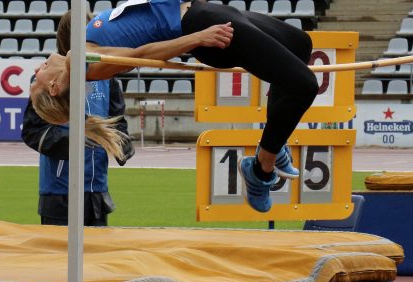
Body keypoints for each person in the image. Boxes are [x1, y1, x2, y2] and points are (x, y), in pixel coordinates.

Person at [29, 0, 319, 213]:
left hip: (203, 11)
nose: (37, 70)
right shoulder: (83, 63)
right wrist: (197, 38)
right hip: (199, 25)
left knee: (300, 44)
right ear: (54, 88)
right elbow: (140, 54)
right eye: (35, 82)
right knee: (305, 85)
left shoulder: (82, 49)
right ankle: (261, 169)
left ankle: (274, 139)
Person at [22, 11, 134, 226]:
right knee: (58, 258)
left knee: (97, 256)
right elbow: (33, 131)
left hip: (97, 188)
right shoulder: (47, 78)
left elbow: (117, 120)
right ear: (70, 37)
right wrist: (79, 143)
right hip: (59, 191)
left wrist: (123, 146)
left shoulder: (107, 78)